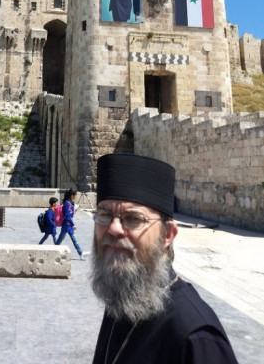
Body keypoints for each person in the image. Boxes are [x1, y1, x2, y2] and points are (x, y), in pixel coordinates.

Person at [91, 153, 239, 364]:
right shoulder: (122, 297)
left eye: (133, 218)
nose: (114, 228)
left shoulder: (196, 338)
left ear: (167, 235)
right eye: (105, 215)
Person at [56, 188, 87, 260]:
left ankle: (81, 253)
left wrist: (74, 210)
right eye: (76, 195)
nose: (76, 196)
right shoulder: (67, 203)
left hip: (68, 224)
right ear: (72, 195)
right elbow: (67, 215)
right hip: (67, 224)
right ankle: (81, 253)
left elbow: (69, 213)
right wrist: (73, 225)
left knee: (62, 239)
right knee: (68, 239)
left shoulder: (70, 203)